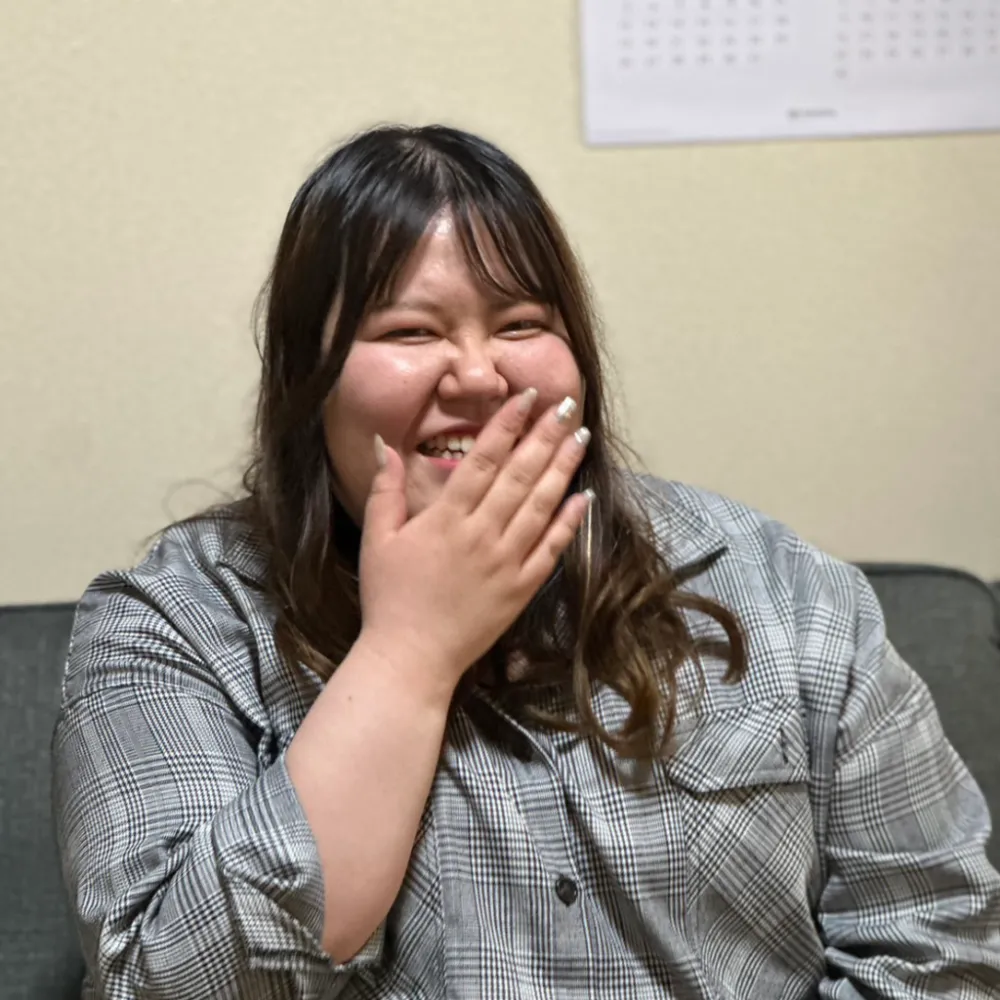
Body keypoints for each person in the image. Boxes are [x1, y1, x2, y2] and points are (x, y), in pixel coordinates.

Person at [53, 124, 1000, 1000]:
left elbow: (939, 944)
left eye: (519, 325)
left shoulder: (781, 589)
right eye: (410, 332)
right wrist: (408, 655)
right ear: (310, 377)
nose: (478, 375)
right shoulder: (172, 625)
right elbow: (168, 984)